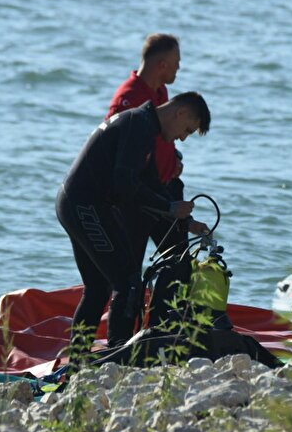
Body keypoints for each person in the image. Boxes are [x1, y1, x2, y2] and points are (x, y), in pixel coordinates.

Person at [57, 92, 211, 361]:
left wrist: (185, 222)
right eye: (187, 130)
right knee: (127, 280)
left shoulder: (143, 125)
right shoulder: (138, 125)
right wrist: (169, 208)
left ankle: (78, 362)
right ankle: (118, 358)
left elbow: (150, 186)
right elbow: (124, 185)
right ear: (181, 113)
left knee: (98, 287)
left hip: (77, 204)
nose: (183, 138)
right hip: (84, 206)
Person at [107, 33, 190, 310]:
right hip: (138, 198)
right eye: (177, 62)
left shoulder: (160, 92)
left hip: (164, 190)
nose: (180, 68)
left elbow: (162, 139)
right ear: (162, 64)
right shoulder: (128, 99)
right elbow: (119, 157)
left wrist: (174, 158)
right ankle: (122, 338)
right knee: (129, 274)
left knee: (178, 264)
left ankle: (161, 327)